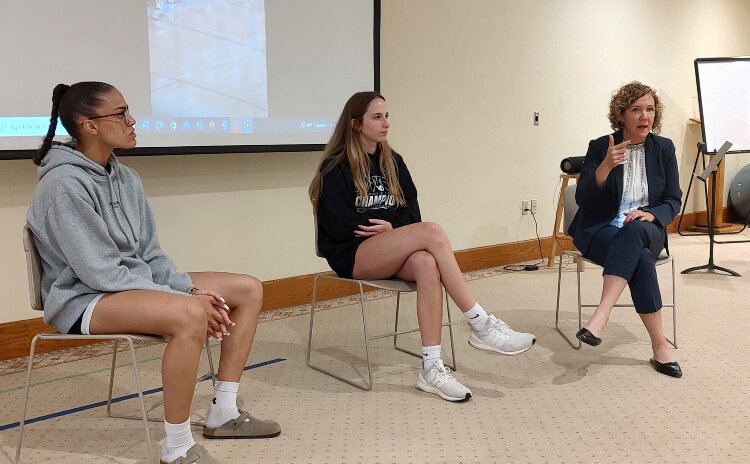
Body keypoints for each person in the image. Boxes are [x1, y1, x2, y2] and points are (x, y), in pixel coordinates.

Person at [26, 82, 280, 464]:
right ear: (89, 125)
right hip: (83, 299)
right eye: (121, 113)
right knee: (191, 313)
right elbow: (100, 273)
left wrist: (183, 287)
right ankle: (176, 446)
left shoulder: (126, 177)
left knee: (248, 289)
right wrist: (185, 298)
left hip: (127, 284)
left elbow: (151, 255)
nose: (132, 121)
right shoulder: (63, 185)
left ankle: (224, 412)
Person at [308, 91, 536, 402]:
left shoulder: (393, 161)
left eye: (387, 115)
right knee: (432, 232)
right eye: (377, 117)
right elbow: (343, 224)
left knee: (428, 264)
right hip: (353, 254)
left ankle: (431, 368)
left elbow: (411, 213)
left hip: (388, 248)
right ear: (356, 123)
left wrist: (392, 229)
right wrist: (392, 227)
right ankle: (480, 323)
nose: (386, 122)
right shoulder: (335, 167)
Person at [567, 81, 683, 378]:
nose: (645, 116)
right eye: (636, 110)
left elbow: (672, 200)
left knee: (634, 232)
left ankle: (600, 315)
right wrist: (605, 167)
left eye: (650, 110)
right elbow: (583, 200)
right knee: (641, 259)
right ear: (621, 115)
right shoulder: (600, 146)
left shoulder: (664, 148)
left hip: (647, 227)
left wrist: (652, 214)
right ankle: (660, 347)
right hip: (601, 228)